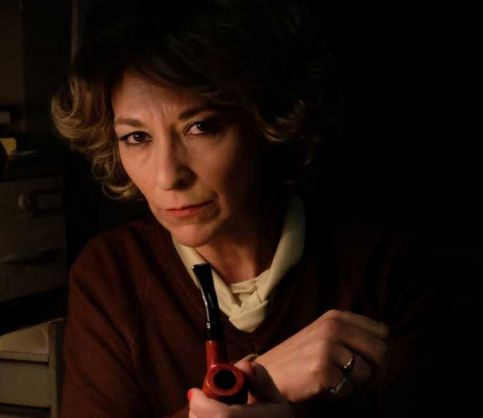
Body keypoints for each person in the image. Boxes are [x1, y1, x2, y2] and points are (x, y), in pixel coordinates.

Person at [51, 0, 439, 417]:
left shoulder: (381, 261)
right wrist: (261, 379)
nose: (167, 176)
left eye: (201, 127)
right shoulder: (111, 274)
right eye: (137, 138)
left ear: (265, 122)